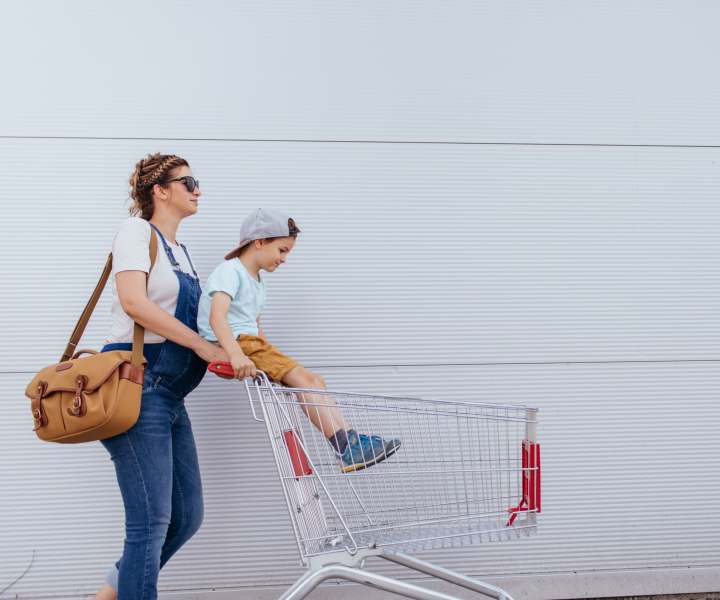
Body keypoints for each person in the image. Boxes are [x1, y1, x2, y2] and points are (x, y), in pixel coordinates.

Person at [95, 153, 229, 600]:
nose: (198, 190)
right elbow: (135, 302)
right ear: (160, 190)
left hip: (171, 396)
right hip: (140, 387)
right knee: (149, 523)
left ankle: (110, 593)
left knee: (186, 517)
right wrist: (198, 344)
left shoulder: (182, 255)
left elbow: (198, 322)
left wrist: (229, 350)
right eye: (188, 182)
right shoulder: (135, 232)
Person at [197, 207, 401, 473]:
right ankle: (346, 447)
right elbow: (217, 317)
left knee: (315, 382)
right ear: (259, 242)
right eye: (282, 250)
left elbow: (256, 328)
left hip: (251, 343)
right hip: (237, 342)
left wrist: (272, 361)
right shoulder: (230, 270)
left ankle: (350, 438)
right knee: (306, 382)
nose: (284, 259)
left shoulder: (256, 281)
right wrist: (236, 354)